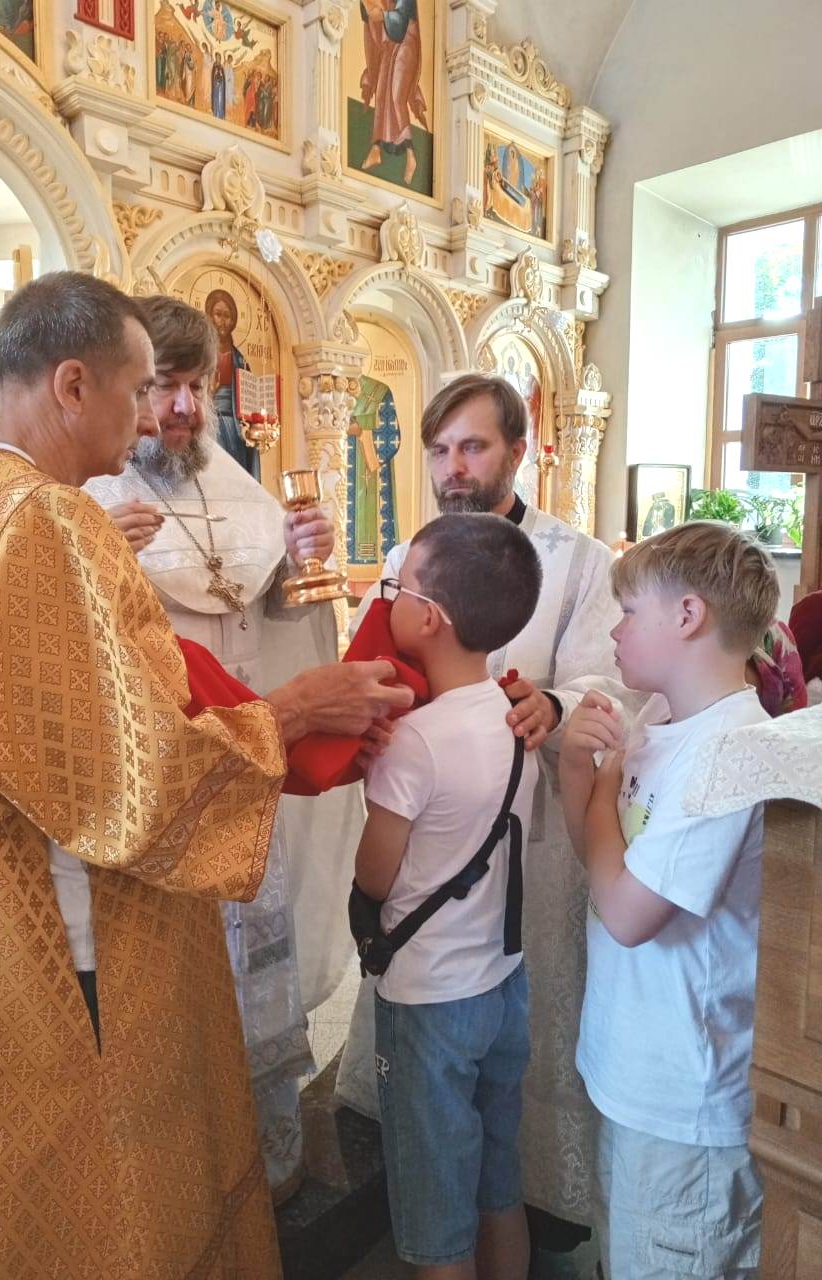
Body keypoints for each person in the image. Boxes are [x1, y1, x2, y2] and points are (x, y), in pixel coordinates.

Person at [0, 271, 413, 1277]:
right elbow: (131, 774)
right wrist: (297, 709)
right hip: (63, 924)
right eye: (135, 389)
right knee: (104, 1188)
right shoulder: (49, 519)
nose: (149, 416)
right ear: (73, 385)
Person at [337, 373, 641, 1277]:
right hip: (432, 845)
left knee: (498, 1057)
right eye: (439, 449)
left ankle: (527, 1201)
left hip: (528, 844)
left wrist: (555, 701)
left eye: (472, 446)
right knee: (452, 1078)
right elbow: (375, 657)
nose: (453, 467)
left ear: (518, 448)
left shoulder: (576, 560)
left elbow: (611, 678)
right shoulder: (413, 553)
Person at [85, 294, 367, 1200]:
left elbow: (268, 623)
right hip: (163, 789)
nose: (180, 407)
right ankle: (189, 1186)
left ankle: (269, 1168)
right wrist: (92, 561)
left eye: (195, 386)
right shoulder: (89, 502)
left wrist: (300, 566)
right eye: (162, 385)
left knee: (258, 971)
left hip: (247, 772)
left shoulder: (243, 492)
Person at [559, 521, 779, 1279]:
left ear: (688, 616)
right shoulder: (660, 722)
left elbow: (626, 915)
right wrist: (580, 774)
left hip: (687, 1105)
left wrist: (596, 788)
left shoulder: (729, 753)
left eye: (629, 612)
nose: (615, 631)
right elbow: (601, 866)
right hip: (635, 1072)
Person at [355, 513, 542, 1278]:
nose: (389, 600)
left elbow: (376, 876)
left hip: (430, 997)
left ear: (428, 618)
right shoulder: (518, 714)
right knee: (498, 1181)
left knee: (437, 1212)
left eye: (399, 588)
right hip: (503, 981)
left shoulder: (413, 741)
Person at [359, 0, 427, 187]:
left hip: (407, 41)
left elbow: (402, 18)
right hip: (389, 44)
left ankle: (411, 156)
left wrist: (382, 15)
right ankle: (376, 149)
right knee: (381, 94)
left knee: (397, 96)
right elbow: (369, 16)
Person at [204, 287, 259, 479]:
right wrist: (209, 393)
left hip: (237, 428)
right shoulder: (203, 356)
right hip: (211, 423)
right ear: (210, 316)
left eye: (227, 316)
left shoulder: (240, 361)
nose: (223, 321)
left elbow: (250, 399)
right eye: (218, 314)